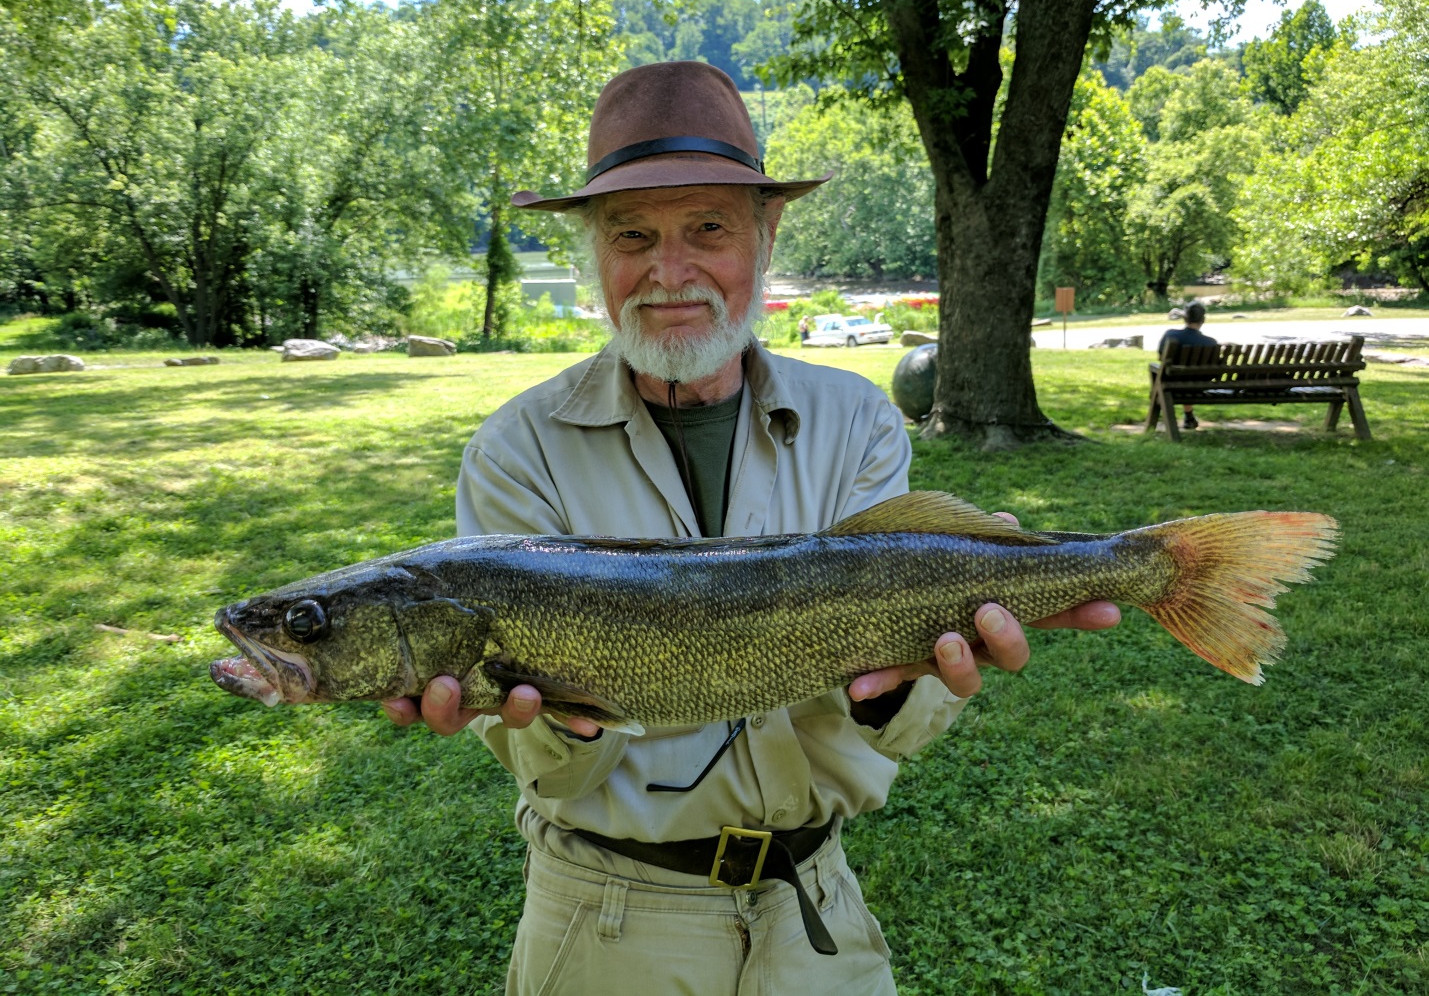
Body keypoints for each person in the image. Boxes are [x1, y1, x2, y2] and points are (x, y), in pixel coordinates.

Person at [383, 61, 1119, 995]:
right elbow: (553, 775)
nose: (669, 270)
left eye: (708, 228)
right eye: (632, 234)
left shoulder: (856, 421)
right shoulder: (515, 451)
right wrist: (545, 722)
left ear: (765, 235)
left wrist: (896, 691)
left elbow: (894, 727)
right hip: (605, 923)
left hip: (820, 914)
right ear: (594, 254)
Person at [1159, 301, 1218, 430]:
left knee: (1179, 374)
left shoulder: (1171, 335)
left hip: (1173, 384)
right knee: (1191, 377)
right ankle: (1188, 416)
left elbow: (1160, 357)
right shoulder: (1211, 343)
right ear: (1203, 319)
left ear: (1185, 318)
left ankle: (1187, 416)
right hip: (1199, 385)